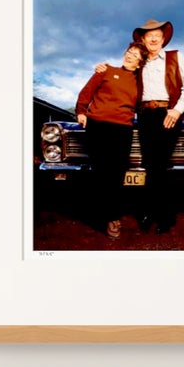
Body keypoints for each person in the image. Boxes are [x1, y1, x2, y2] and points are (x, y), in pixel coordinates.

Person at [121, 18, 184, 233]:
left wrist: (176, 110)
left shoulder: (175, 57)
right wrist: (103, 70)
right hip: (145, 116)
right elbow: (121, 75)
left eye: (158, 35)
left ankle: (164, 216)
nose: (154, 38)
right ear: (143, 40)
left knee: (160, 165)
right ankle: (150, 212)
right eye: (149, 35)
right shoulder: (139, 62)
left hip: (168, 114)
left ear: (163, 39)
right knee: (149, 165)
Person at [74, 44, 143, 239]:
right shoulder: (106, 70)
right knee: (101, 173)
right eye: (128, 52)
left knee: (116, 174)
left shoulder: (141, 82)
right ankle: (107, 214)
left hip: (122, 130)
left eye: (135, 54)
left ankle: (113, 217)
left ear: (140, 63)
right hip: (97, 126)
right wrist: (81, 111)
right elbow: (86, 92)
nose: (129, 55)